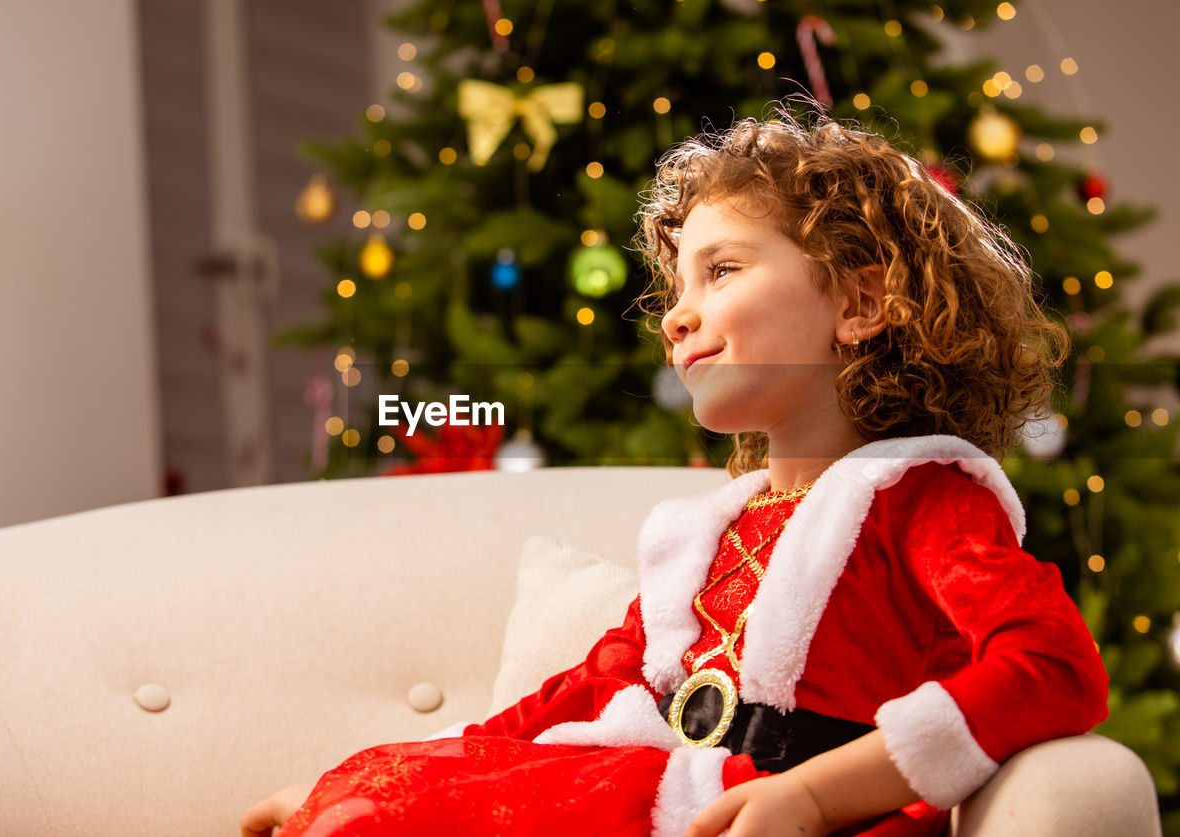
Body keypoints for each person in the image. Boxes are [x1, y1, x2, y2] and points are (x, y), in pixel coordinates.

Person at [240, 109, 1109, 837]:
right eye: (674, 288)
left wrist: (811, 794)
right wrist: (360, 781)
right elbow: (579, 692)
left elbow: (1055, 665)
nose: (676, 316)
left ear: (858, 304)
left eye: (721, 270)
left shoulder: (924, 495)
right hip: (656, 789)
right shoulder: (707, 534)